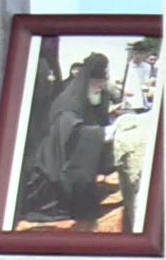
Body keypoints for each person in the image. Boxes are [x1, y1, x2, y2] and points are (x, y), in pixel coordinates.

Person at [16, 52, 115, 229]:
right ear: (89, 80)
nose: (103, 85)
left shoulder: (88, 99)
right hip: (49, 179)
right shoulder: (68, 103)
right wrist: (103, 133)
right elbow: (73, 135)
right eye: (100, 81)